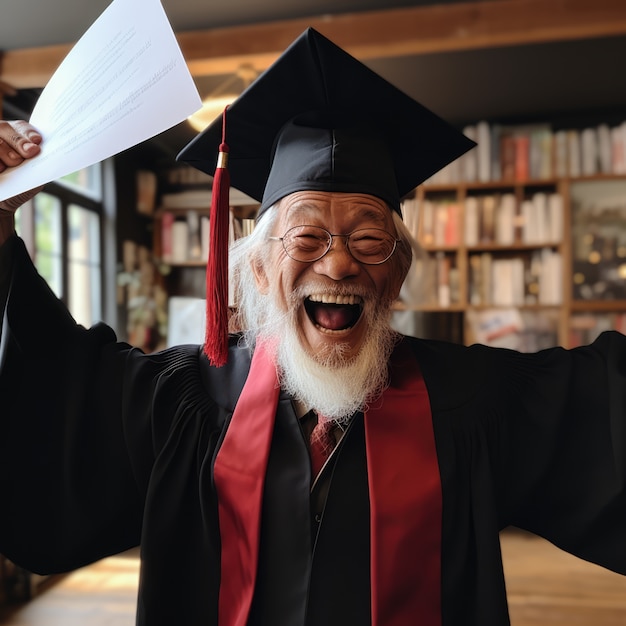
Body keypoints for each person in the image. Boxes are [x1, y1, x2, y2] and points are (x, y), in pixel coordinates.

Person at [0, 27, 624, 626]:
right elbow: (53, 385)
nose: (339, 261)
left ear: (399, 272)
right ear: (263, 269)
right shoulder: (179, 403)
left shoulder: (472, 401)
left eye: (369, 238)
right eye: (307, 236)